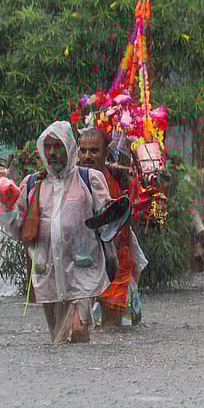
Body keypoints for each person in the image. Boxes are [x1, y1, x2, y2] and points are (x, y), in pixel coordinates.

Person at [0, 121, 112, 344]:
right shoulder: (32, 184)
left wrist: (112, 211)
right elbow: (18, 229)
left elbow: (107, 220)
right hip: (47, 272)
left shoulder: (90, 180)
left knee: (77, 331)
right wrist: (6, 199)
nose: (53, 153)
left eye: (58, 147)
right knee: (58, 339)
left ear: (69, 147)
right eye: (48, 147)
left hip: (82, 271)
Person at [77, 128, 145, 329]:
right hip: (80, 265)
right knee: (79, 328)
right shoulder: (72, 180)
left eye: (94, 151)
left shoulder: (118, 180)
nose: (87, 156)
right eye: (83, 151)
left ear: (106, 152)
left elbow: (126, 224)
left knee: (111, 331)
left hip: (115, 264)